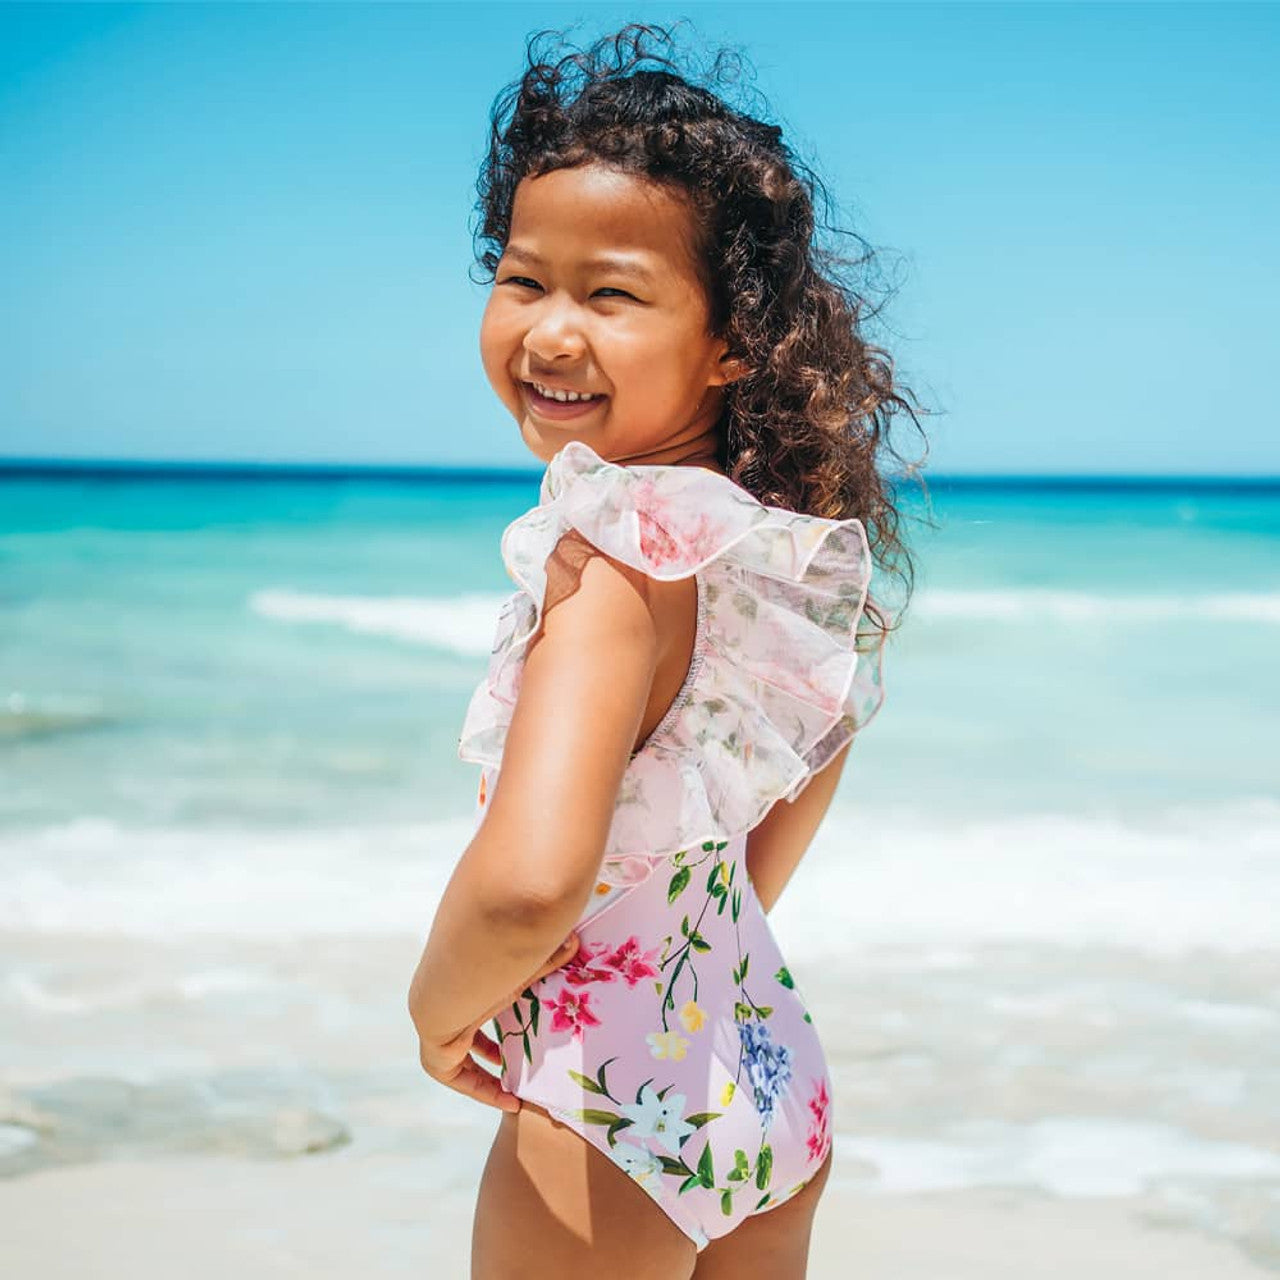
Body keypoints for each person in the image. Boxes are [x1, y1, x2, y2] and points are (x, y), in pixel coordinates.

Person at [407, 21, 925, 1279]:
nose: (549, 331)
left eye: (612, 293)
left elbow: (531, 879)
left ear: (732, 341)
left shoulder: (612, 562)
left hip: (612, 1087)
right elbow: (804, 766)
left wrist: (436, 1011)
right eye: (523, 279)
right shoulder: (769, 549)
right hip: (757, 1056)